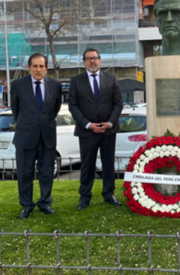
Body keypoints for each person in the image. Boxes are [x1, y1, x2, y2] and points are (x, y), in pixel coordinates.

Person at [68, 48, 123, 210]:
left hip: (108, 130)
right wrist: (88, 124)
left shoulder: (111, 79)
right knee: (87, 165)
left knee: (108, 163)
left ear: (100, 60)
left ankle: (109, 193)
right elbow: (73, 106)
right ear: (84, 62)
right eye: (88, 58)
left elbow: (118, 104)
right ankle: (84, 197)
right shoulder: (76, 81)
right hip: (87, 131)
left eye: (95, 58)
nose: (92, 61)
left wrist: (110, 123)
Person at [10, 53, 62, 219]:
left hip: (47, 136)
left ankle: (45, 203)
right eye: (35, 66)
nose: (38, 70)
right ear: (29, 68)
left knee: (46, 172)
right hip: (26, 136)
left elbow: (55, 109)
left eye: (41, 66)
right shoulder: (18, 84)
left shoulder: (55, 85)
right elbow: (16, 110)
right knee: (24, 173)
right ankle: (26, 205)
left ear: (46, 68)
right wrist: (28, 124)